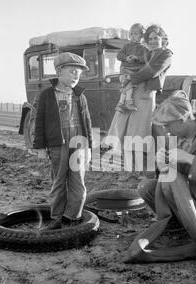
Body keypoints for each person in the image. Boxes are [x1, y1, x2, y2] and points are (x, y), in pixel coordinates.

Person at [124, 96, 196, 263]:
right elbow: (166, 177)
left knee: (173, 181)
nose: (165, 129)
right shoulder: (175, 139)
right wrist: (161, 165)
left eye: (168, 124)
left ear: (184, 119)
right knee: (146, 187)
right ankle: (177, 224)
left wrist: (190, 159)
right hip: (187, 197)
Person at [33, 52, 92, 230]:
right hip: (57, 143)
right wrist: (40, 147)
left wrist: (88, 147)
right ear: (59, 71)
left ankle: (72, 217)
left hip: (79, 143)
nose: (77, 76)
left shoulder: (80, 96)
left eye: (79, 73)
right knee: (59, 181)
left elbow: (87, 123)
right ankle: (57, 217)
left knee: (78, 181)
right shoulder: (46, 95)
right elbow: (40, 122)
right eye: (72, 71)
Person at [104, 24, 173, 172]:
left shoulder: (165, 54)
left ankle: (141, 169)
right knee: (124, 129)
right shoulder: (147, 52)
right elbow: (131, 63)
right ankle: (129, 168)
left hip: (144, 95)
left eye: (156, 38)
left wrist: (130, 77)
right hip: (132, 91)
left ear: (163, 39)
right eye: (150, 38)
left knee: (139, 133)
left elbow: (152, 71)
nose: (153, 41)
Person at [115, 23, 150, 113]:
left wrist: (137, 58)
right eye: (131, 34)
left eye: (136, 34)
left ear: (142, 36)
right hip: (125, 70)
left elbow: (147, 58)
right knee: (129, 84)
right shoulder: (126, 46)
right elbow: (119, 55)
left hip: (135, 72)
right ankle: (128, 102)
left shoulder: (144, 48)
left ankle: (120, 103)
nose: (133, 36)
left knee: (128, 85)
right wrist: (126, 58)